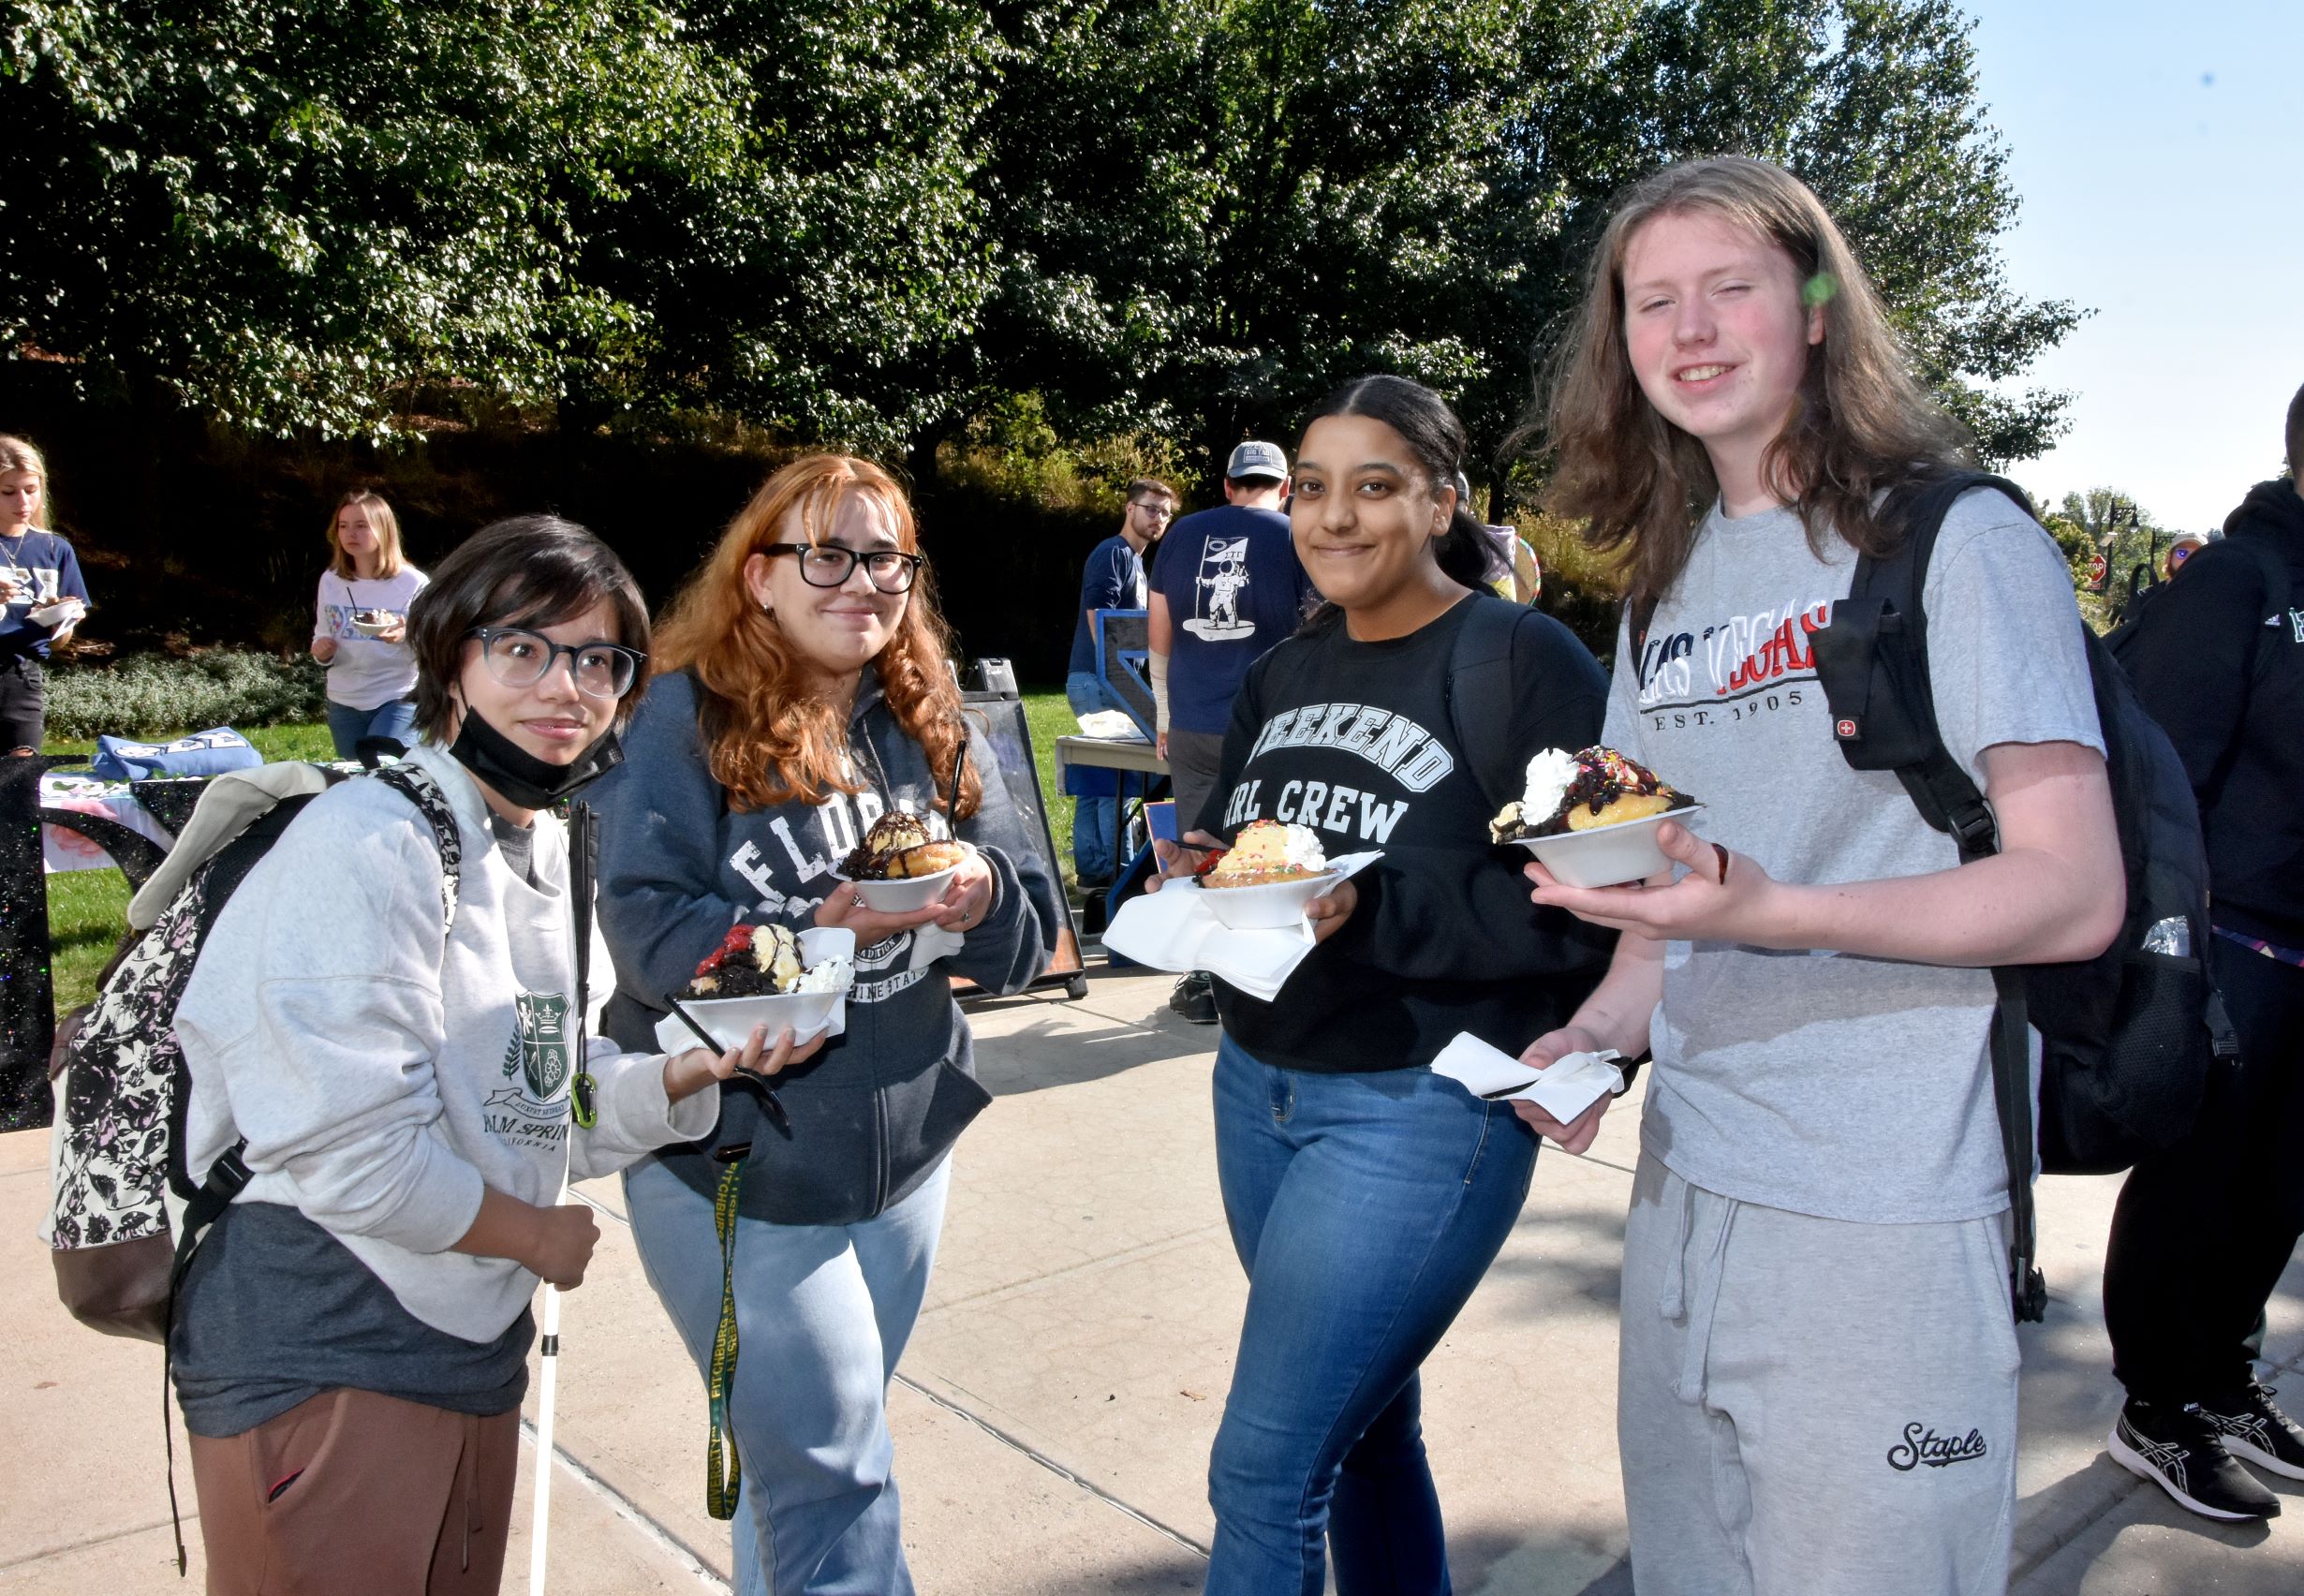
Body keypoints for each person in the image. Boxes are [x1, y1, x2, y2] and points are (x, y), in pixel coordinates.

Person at [1515, 156, 2122, 1595]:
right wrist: (1597, 1038)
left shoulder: (1959, 543)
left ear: (1817, 312)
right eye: (1652, 300)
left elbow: (2073, 886)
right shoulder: (1662, 585)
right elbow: (1665, 905)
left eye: (1731, 287)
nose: (1693, 328)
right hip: (1686, 1189)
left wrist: (1771, 912)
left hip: (1887, 1205)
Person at [170, 514, 811, 1595]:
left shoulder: (544, 844)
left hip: (470, 1340)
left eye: (600, 660)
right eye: (523, 648)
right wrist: (531, 1235)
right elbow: (352, 1154)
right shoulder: (365, 843)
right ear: (449, 658)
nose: (566, 687)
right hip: (327, 1340)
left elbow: (534, 1098)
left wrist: (685, 1075)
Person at [1148, 376, 1614, 1594]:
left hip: (1416, 1111)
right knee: (1362, 1437)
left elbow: (1618, 904)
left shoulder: (1526, 659)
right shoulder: (1284, 673)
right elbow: (1266, 851)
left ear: (1441, 499)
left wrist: (1384, 907)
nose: (1334, 516)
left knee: (1264, 1470)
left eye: (1375, 486)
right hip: (1259, 1088)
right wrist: (1215, 871)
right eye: (1311, 488)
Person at [592, 453, 1056, 1596]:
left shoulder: (927, 711)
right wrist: (819, 933)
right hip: (743, 1165)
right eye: (828, 555)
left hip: (908, 1155)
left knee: (799, 1477)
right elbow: (644, 922)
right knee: (838, 1480)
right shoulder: (678, 711)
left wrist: (985, 893)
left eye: (887, 558)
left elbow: (1036, 925)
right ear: (759, 577)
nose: (863, 582)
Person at [2098, 381, 2304, 1520]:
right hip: (2235, 940)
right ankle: (2156, 1408)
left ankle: (2223, 1382)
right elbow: (2156, 769)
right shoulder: (2237, 582)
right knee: (2198, 1184)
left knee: (2278, 1188)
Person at [1149, 441, 1315, 1021]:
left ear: (1226, 484)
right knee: (1274, 843)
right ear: (1286, 486)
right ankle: (1271, 973)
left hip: (1192, 720)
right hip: (1268, 722)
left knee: (1200, 844)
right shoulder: (1295, 534)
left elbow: (1159, 631)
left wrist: (1164, 714)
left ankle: (1205, 980)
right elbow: (1316, 629)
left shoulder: (1181, 533)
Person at [1066, 476, 1176, 886]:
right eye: (1151, 508)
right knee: (1121, 780)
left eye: (1166, 513)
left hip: (1097, 679)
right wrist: (1118, 681)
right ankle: (1122, 872)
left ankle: (1095, 871)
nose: (1159, 518)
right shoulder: (1113, 553)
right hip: (1099, 680)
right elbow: (1100, 619)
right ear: (1129, 508)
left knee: (1099, 780)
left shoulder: (1136, 563)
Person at [312, 489, 429, 760]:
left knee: (388, 774)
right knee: (356, 782)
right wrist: (322, 653)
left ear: (383, 530)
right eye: (344, 526)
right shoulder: (330, 580)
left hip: (396, 697)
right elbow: (323, 634)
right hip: (344, 700)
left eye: (361, 525)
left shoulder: (413, 583)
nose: (351, 534)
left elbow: (434, 644)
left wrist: (405, 635)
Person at [0, 434, 91, 756]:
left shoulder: (55, 549)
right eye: (8, 492)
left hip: (22, 680)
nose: (23, 503)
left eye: (31, 490)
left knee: (19, 784)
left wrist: (61, 619)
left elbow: (57, 643)